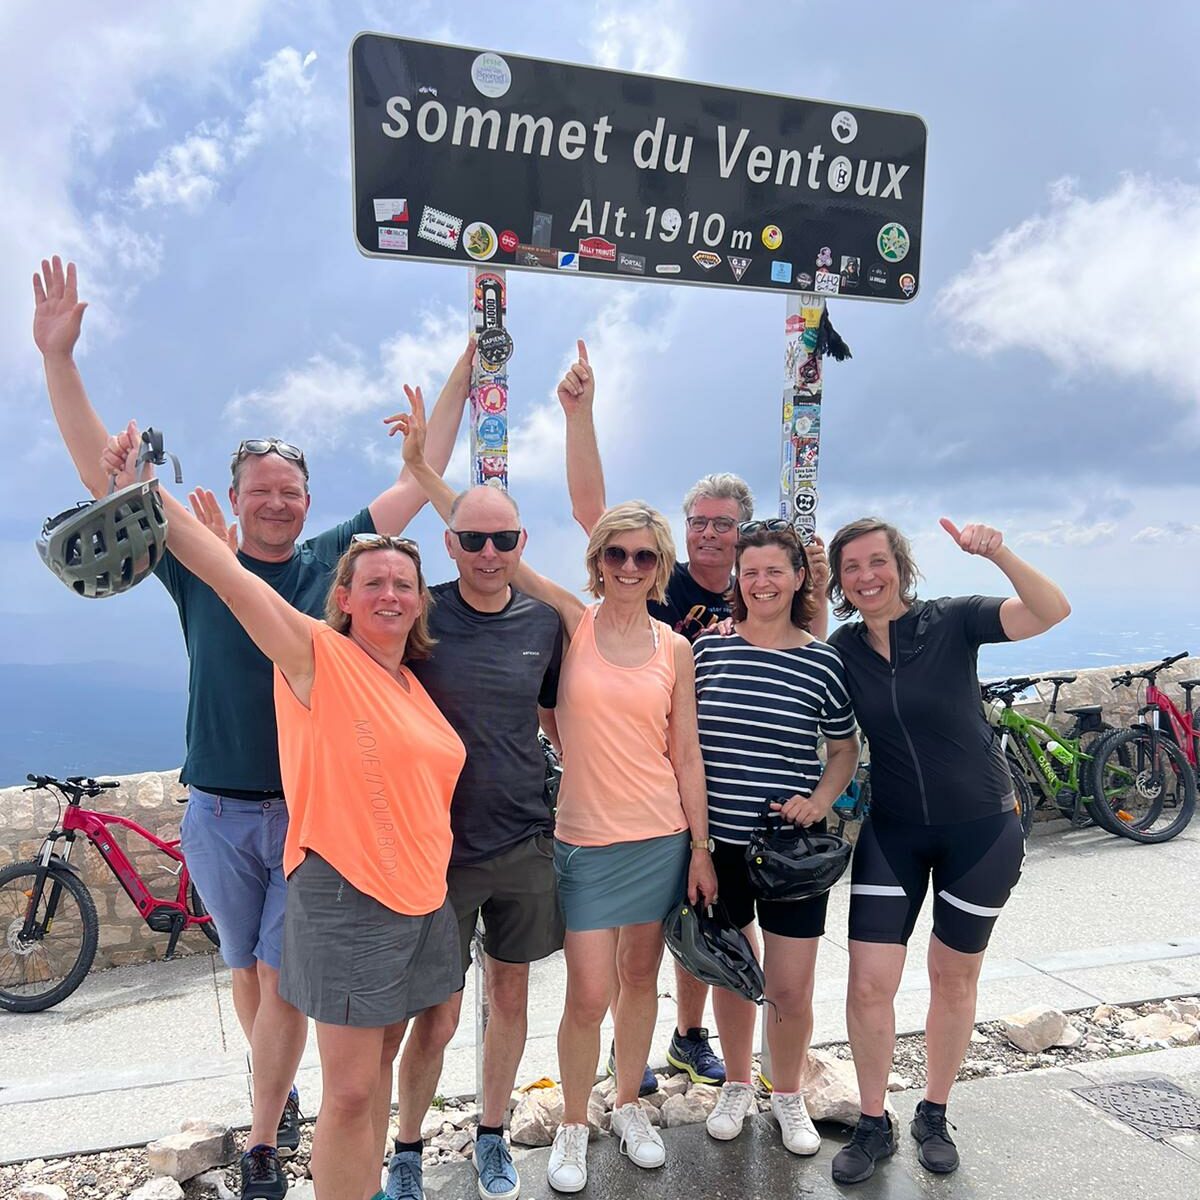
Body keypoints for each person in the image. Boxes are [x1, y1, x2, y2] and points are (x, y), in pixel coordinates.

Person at [34, 255, 469, 1200]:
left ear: (309, 502)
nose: (277, 501)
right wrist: (58, 360)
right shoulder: (201, 564)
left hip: (316, 824)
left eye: (290, 489)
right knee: (250, 975)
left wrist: (474, 361)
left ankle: (267, 1137)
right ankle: (276, 1103)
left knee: (278, 982)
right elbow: (110, 491)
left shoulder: (338, 568)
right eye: (260, 488)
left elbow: (420, 478)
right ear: (235, 498)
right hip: (220, 810)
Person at [393, 385, 718, 1194]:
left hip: (660, 833)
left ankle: (628, 1101)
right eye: (618, 555)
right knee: (589, 991)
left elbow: (686, 753)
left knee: (641, 981)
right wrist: (420, 469)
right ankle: (573, 1123)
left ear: (661, 567)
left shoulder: (674, 647)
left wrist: (702, 845)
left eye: (646, 557)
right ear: (598, 563)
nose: (631, 567)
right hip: (576, 834)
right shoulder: (567, 619)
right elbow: (487, 540)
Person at [127, 473, 465, 1200]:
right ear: (342, 599)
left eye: (403, 584)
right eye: (372, 582)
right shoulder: (316, 657)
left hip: (422, 899)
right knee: (347, 1093)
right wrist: (143, 490)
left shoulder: (413, 685)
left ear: (419, 600)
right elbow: (223, 572)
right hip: (348, 897)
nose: (389, 595)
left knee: (383, 1065)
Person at [557, 342, 835, 1089]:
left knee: (705, 924)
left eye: (722, 523)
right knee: (656, 937)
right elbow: (595, 516)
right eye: (698, 521)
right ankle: (644, 1055)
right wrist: (579, 417)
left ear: (746, 532)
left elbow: (812, 657)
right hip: (660, 789)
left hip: (734, 792)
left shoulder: (763, 589)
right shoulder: (658, 580)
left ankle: (689, 1037)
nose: (709, 533)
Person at [824, 517, 1070, 1184]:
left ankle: (933, 1108)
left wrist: (1000, 553)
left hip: (981, 831)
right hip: (894, 831)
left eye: (878, 561)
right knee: (869, 982)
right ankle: (874, 1120)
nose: (867, 576)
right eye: (852, 567)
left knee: (953, 976)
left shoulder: (954, 620)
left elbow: (1051, 611)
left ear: (899, 566)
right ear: (839, 581)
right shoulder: (841, 648)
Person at [388, 480, 565, 1200]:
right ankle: (405, 1147)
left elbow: (557, 718)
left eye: (502, 540)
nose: (487, 554)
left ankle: (492, 1135)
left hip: (525, 836)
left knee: (512, 994)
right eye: (472, 540)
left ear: (522, 545)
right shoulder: (416, 612)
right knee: (436, 1013)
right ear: (449, 543)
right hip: (437, 847)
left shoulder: (545, 622)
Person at [691, 520, 859, 1158]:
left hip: (789, 850)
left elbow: (843, 749)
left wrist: (820, 801)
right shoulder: (706, 651)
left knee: (790, 986)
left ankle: (785, 1093)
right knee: (736, 976)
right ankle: (736, 1083)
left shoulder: (823, 661)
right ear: (738, 577)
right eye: (750, 571)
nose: (761, 583)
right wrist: (696, 843)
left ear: (798, 579)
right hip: (719, 848)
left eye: (774, 571)